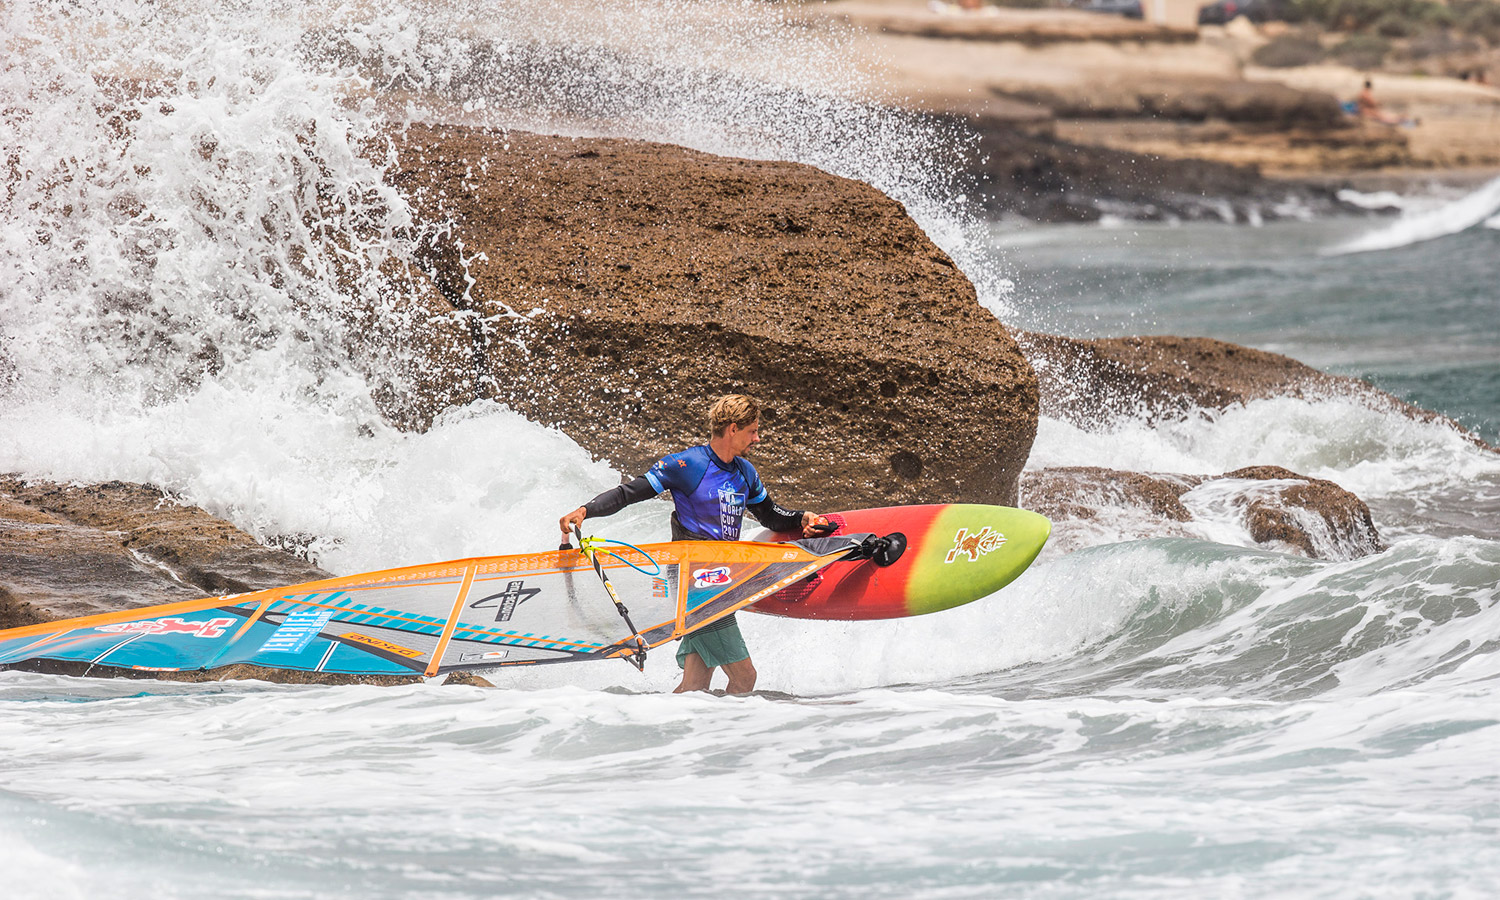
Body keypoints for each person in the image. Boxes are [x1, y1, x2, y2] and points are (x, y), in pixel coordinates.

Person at [558, 394, 830, 695]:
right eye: (752, 430)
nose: (757, 438)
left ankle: (659, 729)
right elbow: (629, 493)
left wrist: (799, 518)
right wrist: (586, 510)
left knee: (694, 687)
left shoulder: (745, 472)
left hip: (722, 580)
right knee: (744, 678)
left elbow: (769, 514)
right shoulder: (687, 465)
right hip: (696, 584)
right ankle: (727, 740)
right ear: (733, 429)